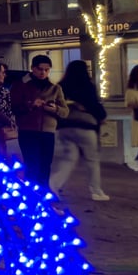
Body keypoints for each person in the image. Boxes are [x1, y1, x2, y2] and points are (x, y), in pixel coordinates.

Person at [51, 59, 109, 201]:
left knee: (68, 158)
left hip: (65, 127)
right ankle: (96, 191)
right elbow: (94, 105)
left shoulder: (61, 86)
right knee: (92, 160)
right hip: (86, 127)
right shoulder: (87, 86)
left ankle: (53, 185)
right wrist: (102, 116)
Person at [10, 54, 68, 185]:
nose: (43, 73)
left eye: (47, 70)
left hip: (48, 132)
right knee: (32, 165)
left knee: (45, 165)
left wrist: (54, 109)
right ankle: (32, 197)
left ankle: (43, 196)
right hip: (28, 131)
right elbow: (14, 107)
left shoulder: (55, 88)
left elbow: (65, 112)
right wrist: (31, 105)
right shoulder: (21, 86)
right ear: (33, 68)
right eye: (40, 69)